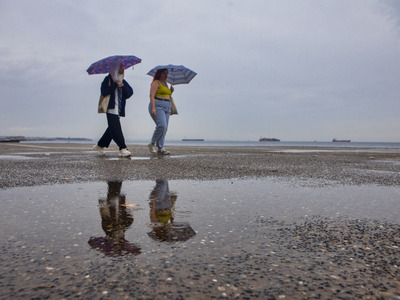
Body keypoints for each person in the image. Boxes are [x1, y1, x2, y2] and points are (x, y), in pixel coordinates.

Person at [93, 62, 133, 157]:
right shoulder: (107, 80)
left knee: (112, 128)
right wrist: (115, 85)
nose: (122, 69)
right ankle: (123, 148)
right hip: (110, 108)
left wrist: (122, 86)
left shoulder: (123, 81)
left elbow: (129, 93)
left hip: (118, 109)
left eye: (123, 67)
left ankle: (100, 145)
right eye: (120, 67)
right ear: (114, 68)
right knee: (116, 128)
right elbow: (104, 92)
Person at [148, 68, 174, 155]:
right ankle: (152, 143)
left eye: (167, 73)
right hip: (158, 105)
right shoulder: (156, 82)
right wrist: (153, 108)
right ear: (159, 74)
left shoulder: (166, 84)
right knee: (161, 125)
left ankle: (160, 147)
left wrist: (171, 92)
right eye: (164, 73)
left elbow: (166, 95)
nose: (166, 75)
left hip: (167, 106)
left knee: (165, 128)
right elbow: (152, 95)